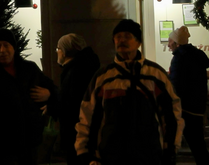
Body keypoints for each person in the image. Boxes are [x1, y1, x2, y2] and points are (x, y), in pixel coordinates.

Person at [76, 19, 183, 165]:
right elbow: (87, 115)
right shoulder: (103, 77)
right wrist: (84, 151)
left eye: (127, 36)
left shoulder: (156, 75)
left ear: (138, 42)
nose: (121, 40)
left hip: (149, 154)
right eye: (118, 37)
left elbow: (172, 114)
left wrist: (170, 149)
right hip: (110, 155)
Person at [0, 28, 57, 165]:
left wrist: (49, 94)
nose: (2, 50)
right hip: (0, 148)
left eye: (6, 45)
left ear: (14, 48)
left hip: (30, 145)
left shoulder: (30, 69)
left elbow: (55, 89)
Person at [54, 33, 100, 165]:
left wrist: (53, 104)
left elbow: (70, 103)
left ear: (65, 51)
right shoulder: (85, 66)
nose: (57, 52)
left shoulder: (74, 72)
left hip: (76, 132)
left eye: (58, 48)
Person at [168, 26, 209, 165]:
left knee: (173, 144)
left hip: (185, 108)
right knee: (198, 144)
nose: (168, 45)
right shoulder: (198, 55)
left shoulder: (179, 58)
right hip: (198, 106)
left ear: (176, 43)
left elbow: (175, 86)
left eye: (170, 41)